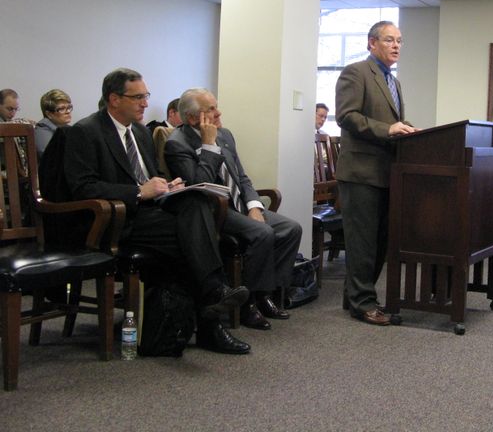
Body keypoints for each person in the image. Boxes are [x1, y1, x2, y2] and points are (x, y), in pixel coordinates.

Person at [62, 68, 252, 354]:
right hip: (113, 219)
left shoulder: (139, 131)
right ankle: (212, 311)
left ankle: (210, 303)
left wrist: (168, 186)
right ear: (114, 99)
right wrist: (139, 192)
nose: (145, 103)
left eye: (146, 96)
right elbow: (83, 188)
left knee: (196, 203)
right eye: (137, 97)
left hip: (147, 214)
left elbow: (149, 177)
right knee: (196, 240)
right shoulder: (86, 131)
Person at [164, 87, 303, 330]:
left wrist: (254, 206)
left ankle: (265, 295)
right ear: (193, 118)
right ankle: (247, 304)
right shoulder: (177, 144)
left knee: (291, 229)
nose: (219, 113)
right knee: (263, 234)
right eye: (211, 110)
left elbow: (242, 177)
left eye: (216, 106)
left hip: (240, 205)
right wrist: (208, 144)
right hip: (215, 211)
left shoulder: (225, 134)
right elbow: (198, 183)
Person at [335, 21, 416, 325]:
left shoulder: (394, 82)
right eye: (389, 40)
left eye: (400, 40)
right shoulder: (356, 72)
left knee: (379, 241)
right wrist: (388, 129)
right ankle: (363, 303)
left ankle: (353, 295)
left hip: (385, 172)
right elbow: (347, 116)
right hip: (360, 172)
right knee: (363, 243)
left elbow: (394, 122)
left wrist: (407, 130)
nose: (396, 46)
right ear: (372, 43)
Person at [35, 89, 73, 157]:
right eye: (61, 109)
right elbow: (52, 159)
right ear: (49, 114)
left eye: (69, 107)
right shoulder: (42, 130)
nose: (68, 111)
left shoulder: (68, 128)